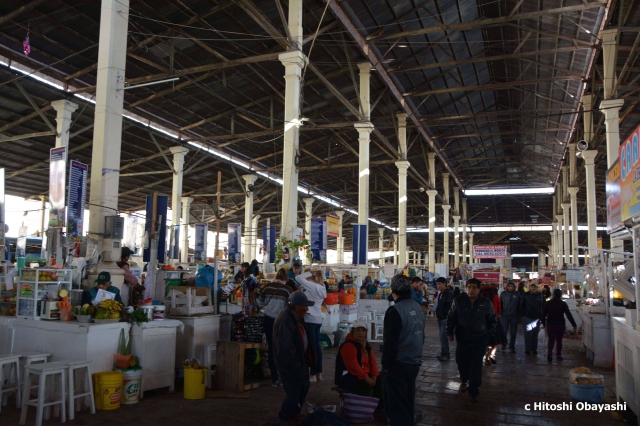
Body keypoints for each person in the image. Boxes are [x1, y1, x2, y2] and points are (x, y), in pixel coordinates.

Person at [382, 274, 425, 425]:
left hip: (398, 364)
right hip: (414, 362)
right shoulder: (418, 307)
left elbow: (390, 342)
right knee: (407, 400)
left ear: (393, 290)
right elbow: (422, 335)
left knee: (396, 405)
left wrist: (386, 365)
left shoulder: (395, 311)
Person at [447, 278, 497, 402]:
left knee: (476, 364)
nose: (471, 290)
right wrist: (449, 332)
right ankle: (464, 379)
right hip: (462, 338)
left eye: (474, 287)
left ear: (479, 289)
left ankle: (474, 389)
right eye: (469, 287)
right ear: (466, 288)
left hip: (479, 339)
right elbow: (451, 317)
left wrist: (487, 335)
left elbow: (492, 320)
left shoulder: (485, 303)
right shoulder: (458, 301)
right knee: (461, 361)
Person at [273, 292, 315, 425]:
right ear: (297, 307)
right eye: (305, 306)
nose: (307, 309)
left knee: (303, 387)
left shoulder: (296, 317)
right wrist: (294, 365)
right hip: (291, 363)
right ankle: (286, 416)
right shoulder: (286, 319)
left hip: (299, 361)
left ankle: (294, 413)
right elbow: (285, 347)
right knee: (294, 391)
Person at [257, 268, 294, 386]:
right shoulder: (288, 290)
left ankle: (274, 379)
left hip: (268, 320)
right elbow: (290, 307)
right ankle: (283, 378)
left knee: (272, 349)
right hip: (282, 322)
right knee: (282, 349)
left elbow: (259, 303)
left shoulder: (267, 287)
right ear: (286, 279)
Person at [335, 319, 381, 398]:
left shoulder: (365, 344)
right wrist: (367, 379)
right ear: (352, 332)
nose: (360, 333)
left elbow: (372, 361)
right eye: (358, 330)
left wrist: (374, 376)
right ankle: (361, 408)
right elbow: (353, 366)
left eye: (363, 330)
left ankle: (377, 407)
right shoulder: (348, 345)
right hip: (349, 376)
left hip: (364, 374)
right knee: (366, 388)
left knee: (383, 381)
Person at [296, 269, 327, 382]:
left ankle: (313, 374)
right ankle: (319, 373)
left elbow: (298, 278)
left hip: (310, 319)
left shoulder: (312, 286)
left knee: (312, 347)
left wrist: (309, 272)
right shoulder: (322, 287)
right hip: (318, 319)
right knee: (317, 347)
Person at [542, 289, 577, 362]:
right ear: (561, 295)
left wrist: (543, 324)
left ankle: (550, 352)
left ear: (553, 294)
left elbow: (543, 315)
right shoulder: (563, 304)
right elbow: (568, 315)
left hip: (550, 324)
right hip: (560, 324)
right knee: (559, 340)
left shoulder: (548, 303)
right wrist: (574, 324)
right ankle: (558, 355)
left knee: (551, 340)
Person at [520, 281, 545, 355]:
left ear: (537, 287)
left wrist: (542, 316)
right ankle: (527, 349)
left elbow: (543, 306)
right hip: (527, 317)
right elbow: (522, 305)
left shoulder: (541, 295)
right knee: (527, 335)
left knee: (535, 335)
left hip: (537, 318)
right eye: (532, 287)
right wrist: (522, 316)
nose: (533, 288)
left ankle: (534, 349)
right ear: (530, 287)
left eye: (535, 287)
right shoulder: (525, 295)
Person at [480, 286, 503, 365]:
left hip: (484, 322)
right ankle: (492, 355)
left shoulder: (481, 298)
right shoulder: (496, 297)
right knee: (495, 341)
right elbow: (499, 308)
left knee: (486, 342)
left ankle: (486, 358)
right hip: (495, 321)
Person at [435, 277, 454, 361]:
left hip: (444, 319)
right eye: (437, 284)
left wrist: (443, 315)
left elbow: (449, 307)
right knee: (442, 337)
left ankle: (445, 354)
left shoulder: (448, 294)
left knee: (444, 337)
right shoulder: (442, 293)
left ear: (444, 284)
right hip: (441, 318)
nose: (438, 286)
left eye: (439, 284)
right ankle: (444, 353)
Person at [499, 280, 522, 353]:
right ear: (507, 287)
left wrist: (519, 315)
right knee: (504, 331)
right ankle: (504, 343)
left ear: (514, 287)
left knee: (513, 332)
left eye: (512, 286)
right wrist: (500, 313)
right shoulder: (503, 294)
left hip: (514, 315)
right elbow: (500, 304)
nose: (510, 288)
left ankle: (512, 346)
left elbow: (520, 305)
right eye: (509, 286)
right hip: (505, 315)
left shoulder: (517, 294)